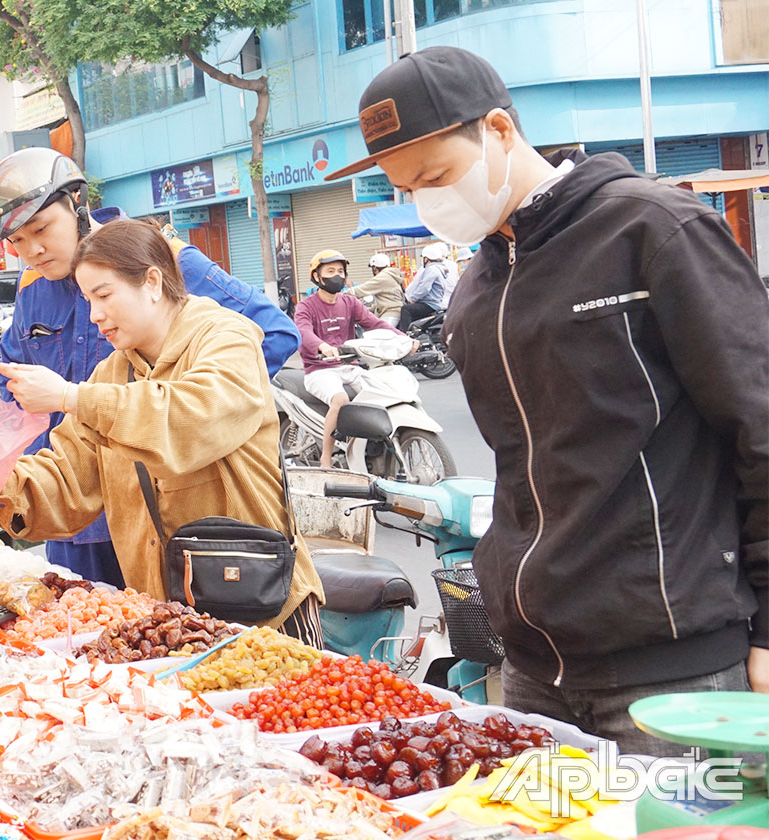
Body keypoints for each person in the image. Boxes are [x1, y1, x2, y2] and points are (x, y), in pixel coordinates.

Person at [325, 45, 769, 750]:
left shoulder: (652, 230)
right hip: (532, 667)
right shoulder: (476, 289)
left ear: (499, 131)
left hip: (673, 670)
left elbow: (760, 428)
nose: (428, 201)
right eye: (408, 188)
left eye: (437, 175)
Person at [0, 220, 324, 641]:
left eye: (104, 295)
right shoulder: (110, 373)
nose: (95, 315)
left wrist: (72, 398)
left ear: (152, 281)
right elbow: (68, 477)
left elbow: (192, 418)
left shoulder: (225, 338)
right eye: (87, 298)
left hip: (264, 606)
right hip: (171, 622)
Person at [0, 147, 301, 587]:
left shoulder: (166, 261)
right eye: (17, 242)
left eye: (41, 229)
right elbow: (32, 413)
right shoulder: (37, 293)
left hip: (220, 551)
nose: (32, 250)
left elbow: (271, 337)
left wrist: (195, 406)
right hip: (91, 512)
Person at [293, 250, 410, 467]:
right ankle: (326, 457)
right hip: (320, 370)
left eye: (340, 271)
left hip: (349, 366)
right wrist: (322, 345)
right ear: (317, 277)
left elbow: (375, 323)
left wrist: (404, 339)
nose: (336, 275)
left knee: (383, 395)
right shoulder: (306, 306)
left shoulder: (350, 302)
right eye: (330, 271)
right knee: (340, 401)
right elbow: (303, 331)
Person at [399, 243, 449, 329]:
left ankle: (403, 336)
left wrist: (412, 299)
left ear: (426, 259)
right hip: (434, 303)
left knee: (406, 309)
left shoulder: (432, 269)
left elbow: (424, 288)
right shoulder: (439, 268)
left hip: (429, 304)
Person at [352, 253, 406, 326]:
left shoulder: (382, 278)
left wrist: (340, 295)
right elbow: (386, 299)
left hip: (391, 313)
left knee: (380, 334)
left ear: (375, 268)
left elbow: (361, 290)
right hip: (394, 311)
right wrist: (369, 309)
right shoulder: (391, 275)